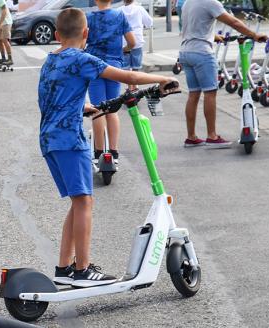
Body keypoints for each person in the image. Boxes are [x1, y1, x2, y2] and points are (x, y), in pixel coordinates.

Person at [39, 8, 177, 286]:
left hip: (50, 138)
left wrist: (83, 107)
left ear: (56, 35)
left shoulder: (51, 59)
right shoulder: (81, 58)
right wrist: (163, 80)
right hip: (70, 140)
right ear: (86, 33)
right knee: (84, 202)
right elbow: (129, 78)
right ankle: (83, 269)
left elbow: (53, 94)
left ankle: (65, 268)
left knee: (78, 201)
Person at [178, 0, 265, 148]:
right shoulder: (211, 2)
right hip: (202, 53)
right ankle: (212, 136)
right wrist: (254, 35)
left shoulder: (188, 2)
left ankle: (191, 137)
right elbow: (234, 23)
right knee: (210, 93)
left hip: (186, 52)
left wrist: (213, 37)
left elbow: (193, 27)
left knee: (193, 95)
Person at [86, 0, 133, 168]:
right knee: (112, 109)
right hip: (114, 66)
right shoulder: (120, 16)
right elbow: (132, 42)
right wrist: (121, 51)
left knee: (98, 109)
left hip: (94, 66)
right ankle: (114, 152)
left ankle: (99, 152)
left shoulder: (89, 18)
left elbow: (82, 41)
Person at [121, 0, 152, 78]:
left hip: (124, 42)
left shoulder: (119, 10)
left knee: (126, 67)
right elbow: (149, 22)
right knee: (136, 67)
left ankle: (129, 87)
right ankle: (135, 87)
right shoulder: (139, 9)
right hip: (137, 40)